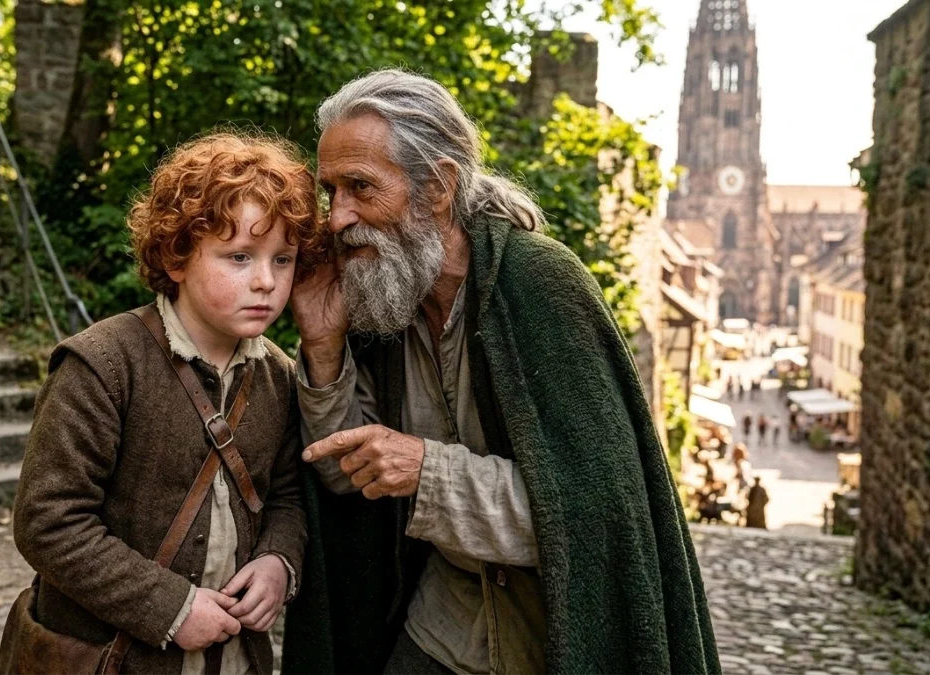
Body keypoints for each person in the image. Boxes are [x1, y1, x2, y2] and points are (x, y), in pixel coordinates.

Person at [281, 70, 718, 675]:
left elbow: (598, 520)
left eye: (360, 187)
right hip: (440, 628)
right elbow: (346, 480)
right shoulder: (384, 298)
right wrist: (324, 344)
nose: (337, 217)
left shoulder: (539, 285)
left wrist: (427, 472)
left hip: (555, 643)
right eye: (332, 190)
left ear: (437, 186)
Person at [0, 134, 319, 674]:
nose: (266, 281)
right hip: (109, 659)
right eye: (238, 256)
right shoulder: (102, 363)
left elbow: (288, 496)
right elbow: (47, 520)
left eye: (282, 259)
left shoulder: (280, 377)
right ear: (177, 258)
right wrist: (168, 606)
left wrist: (278, 563)